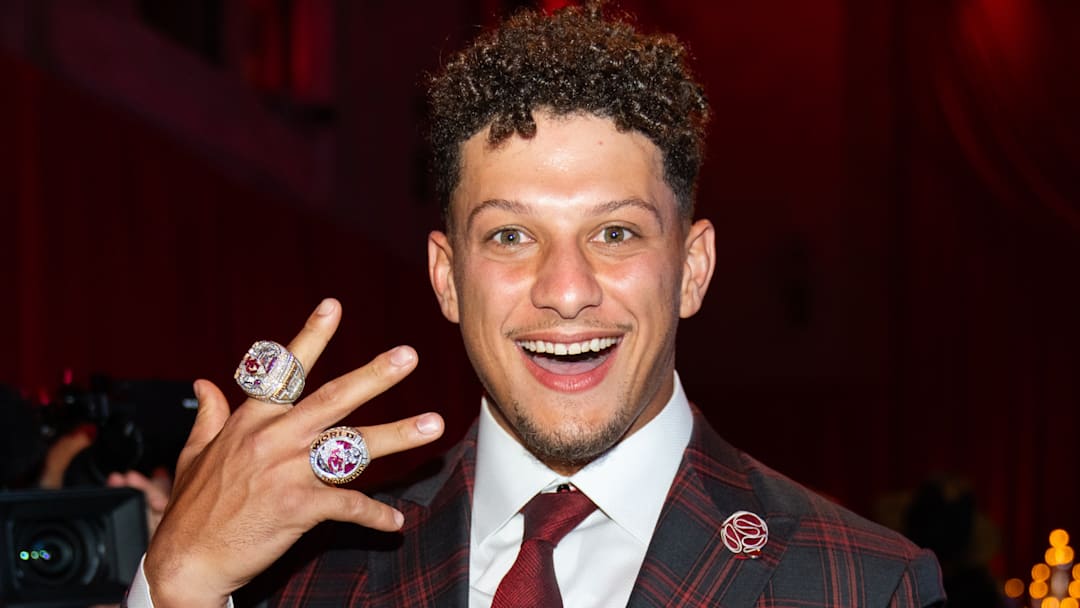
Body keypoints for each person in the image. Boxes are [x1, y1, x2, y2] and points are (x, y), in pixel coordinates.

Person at [129, 4, 946, 607]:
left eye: (617, 233)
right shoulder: (309, 576)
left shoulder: (866, 584)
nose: (565, 290)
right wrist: (180, 582)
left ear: (692, 269)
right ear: (447, 278)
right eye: (511, 237)